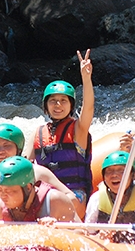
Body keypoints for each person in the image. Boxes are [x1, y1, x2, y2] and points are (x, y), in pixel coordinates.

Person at [28, 49, 94, 218]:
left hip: (74, 194)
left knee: (59, 204)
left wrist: (86, 78)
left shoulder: (78, 129)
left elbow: (88, 108)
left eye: (63, 100)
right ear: (46, 106)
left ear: (71, 106)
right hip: (45, 193)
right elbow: (25, 165)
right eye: (53, 101)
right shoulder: (38, 132)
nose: (58, 105)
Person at [0, 123, 80, 220]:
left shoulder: (37, 172)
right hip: (1, 222)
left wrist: (53, 212)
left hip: (41, 221)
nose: (0, 151)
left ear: (18, 149)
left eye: (7, 146)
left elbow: (71, 198)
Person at [0, 156, 80, 223]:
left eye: (9, 191)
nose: (3, 196)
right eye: (0, 189)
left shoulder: (56, 201)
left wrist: (58, 230)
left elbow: (81, 234)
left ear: (28, 187)